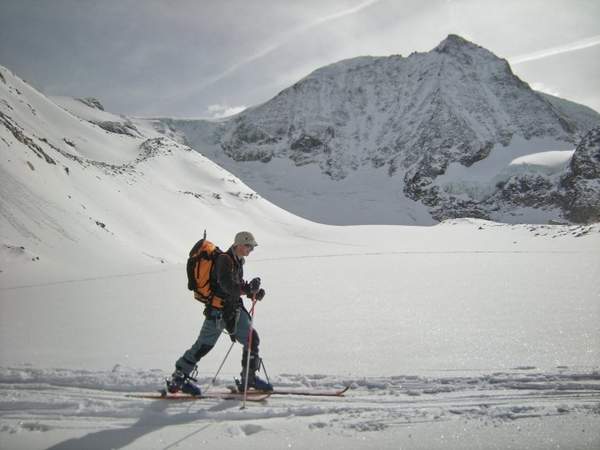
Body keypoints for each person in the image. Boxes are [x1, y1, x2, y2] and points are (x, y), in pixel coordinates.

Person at [167, 231, 273, 396]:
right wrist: (247, 289)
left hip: (232, 311)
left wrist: (253, 293)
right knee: (203, 346)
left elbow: (235, 286)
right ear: (238, 244)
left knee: (252, 339)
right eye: (248, 246)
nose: (251, 249)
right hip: (218, 313)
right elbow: (226, 285)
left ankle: (248, 379)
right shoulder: (225, 259)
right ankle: (178, 378)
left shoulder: (237, 261)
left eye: (252, 247)